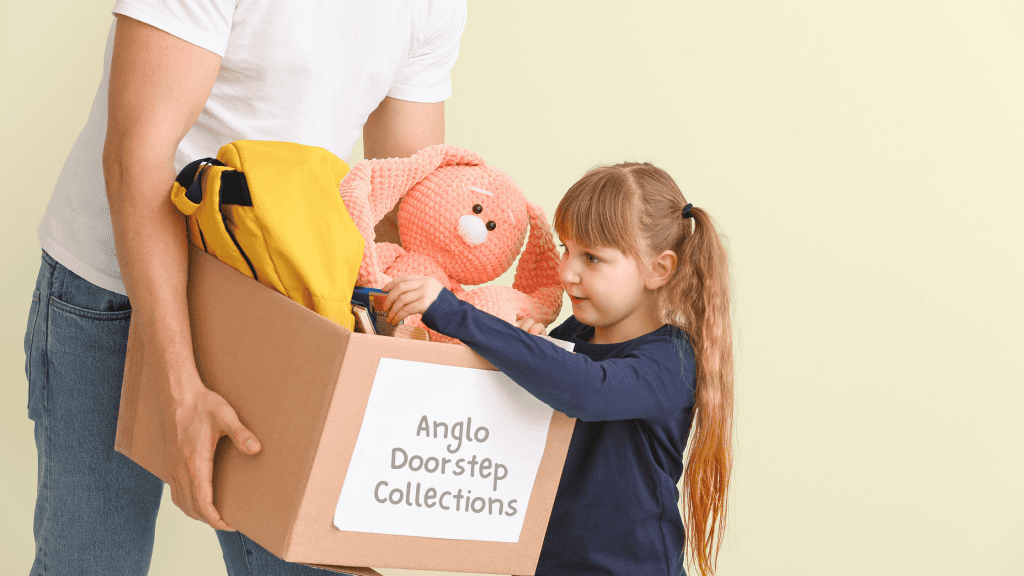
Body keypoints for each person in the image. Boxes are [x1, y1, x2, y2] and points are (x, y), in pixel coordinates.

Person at [24, 1, 466, 575]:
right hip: (114, 292)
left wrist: (459, 327)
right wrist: (180, 389)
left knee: (310, 561)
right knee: (91, 566)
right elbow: (137, 159)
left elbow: (401, 195)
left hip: (275, 303)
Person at [383, 162, 735, 575]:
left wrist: (453, 312)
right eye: (567, 249)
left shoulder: (672, 360)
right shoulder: (577, 332)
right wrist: (533, 347)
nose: (567, 273)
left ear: (659, 269)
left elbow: (586, 390)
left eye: (592, 258)